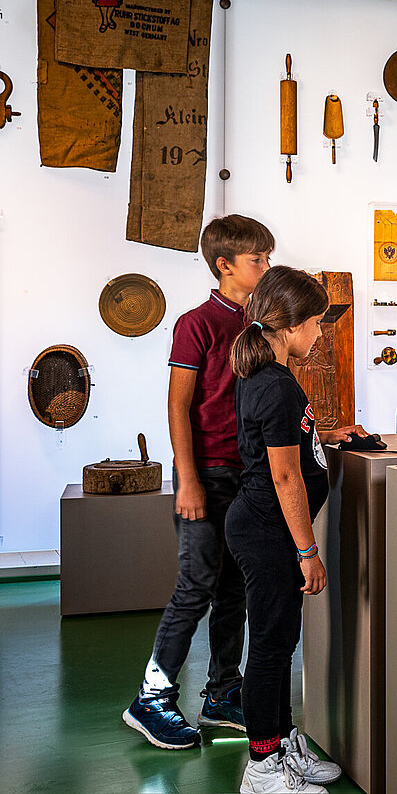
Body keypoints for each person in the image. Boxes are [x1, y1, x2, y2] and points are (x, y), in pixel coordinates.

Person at [124, 214, 275, 750]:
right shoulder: (196, 323)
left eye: (267, 258)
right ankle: (152, 700)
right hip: (205, 475)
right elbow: (178, 404)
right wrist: (186, 480)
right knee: (195, 588)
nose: (266, 267)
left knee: (232, 591)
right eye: (259, 259)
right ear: (225, 265)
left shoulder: (259, 328)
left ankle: (221, 695)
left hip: (247, 476)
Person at [226, 266, 364, 793]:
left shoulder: (270, 378)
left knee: (280, 643)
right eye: (315, 324)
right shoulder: (276, 385)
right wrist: (308, 550)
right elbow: (284, 476)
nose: (321, 333)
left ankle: (284, 745)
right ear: (288, 326)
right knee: (267, 646)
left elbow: (280, 443)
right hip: (267, 532)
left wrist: (327, 432)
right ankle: (262, 767)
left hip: (265, 527)